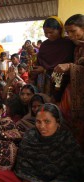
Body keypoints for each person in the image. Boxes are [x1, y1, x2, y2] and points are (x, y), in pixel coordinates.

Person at [54, 14, 84, 149]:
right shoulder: (76, 47)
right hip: (73, 92)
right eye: (68, 32)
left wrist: (70, 67)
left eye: (73, 31)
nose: (70, 35)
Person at [31, 16, 74, 97]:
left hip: (62, 82)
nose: (48, 35)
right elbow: (39, 61)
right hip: (44, 82)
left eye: (51, 32)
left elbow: (69, 64)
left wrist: (44, 69)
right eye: (45, 33)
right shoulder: (44, 45)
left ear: (60, 29)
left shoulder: (68, 43)